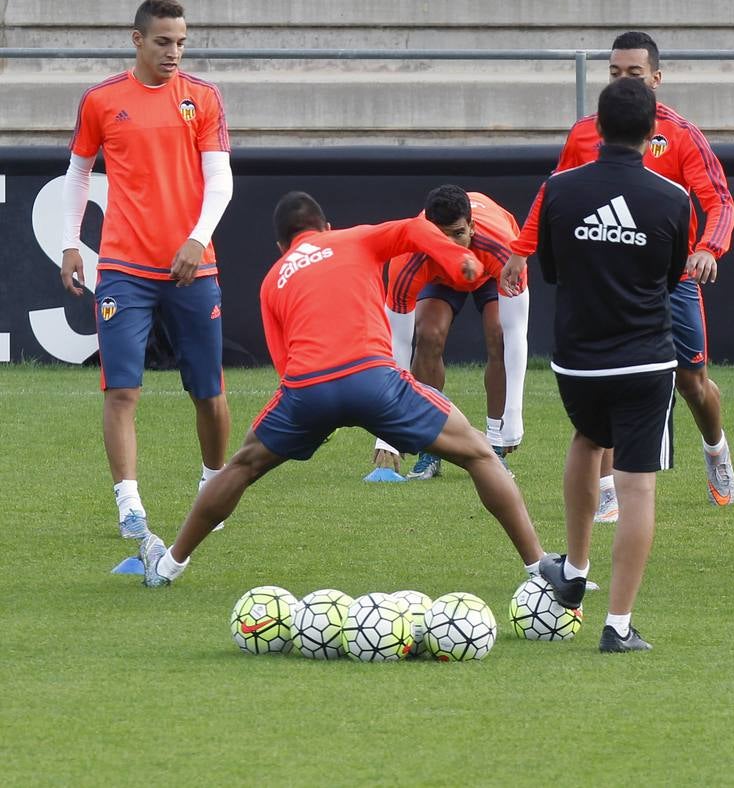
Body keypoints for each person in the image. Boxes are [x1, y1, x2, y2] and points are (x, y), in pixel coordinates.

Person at [137, 192, 550, 586]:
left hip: (306, 391)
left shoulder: (272, 280)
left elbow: (284, 365)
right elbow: (416, 228)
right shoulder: (356, 237)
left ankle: (170, 564)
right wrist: (458, 255)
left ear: (282, 244)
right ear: (327, 226)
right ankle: (540, 568)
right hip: (374, 380)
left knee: (241, 467)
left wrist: (314, 420)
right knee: (480, 453)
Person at [502, 31, 734, 522]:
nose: (624, 81)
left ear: (656, 77)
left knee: (693, 383)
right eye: (614, 73)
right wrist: (521, 251)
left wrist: (707, 248)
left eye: (633, 73)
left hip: (670, 275)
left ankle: (715, 449)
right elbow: (553, 195)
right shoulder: (586, 132)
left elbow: (718, 202)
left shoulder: (681, 134)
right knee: (607, 377)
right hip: (604, 270)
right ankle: (607, 490)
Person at [59, 0, 234, 541]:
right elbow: (78, 173)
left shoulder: (203, 98)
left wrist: (196, 239)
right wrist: (71, 243)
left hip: (193, 267)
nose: (174, 52)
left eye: (181, 42)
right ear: (137, 40)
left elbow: (221, 181)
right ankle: (129, 506)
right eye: (163, 42)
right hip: (124, 268)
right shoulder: (102, 100)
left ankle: (213, 484)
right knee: (121, 390)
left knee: (208, 390)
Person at [534, 77, 691, 652]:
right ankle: (618, 626)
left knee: (585, 438)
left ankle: (574, 572)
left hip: (577, 361)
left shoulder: (558, 190)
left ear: (595, 128)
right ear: (654, 134)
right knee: (637, 487)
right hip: (644, 361)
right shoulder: (672, 199)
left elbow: (549, 269)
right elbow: (671, 278)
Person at [373, 185, 529, 478]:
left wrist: (513, 414)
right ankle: (431, 448)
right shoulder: (408, 258)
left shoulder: (503, 247)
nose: (452, 248)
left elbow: (516, 331)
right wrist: (386, 430)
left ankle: (495, 446)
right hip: (438, 276)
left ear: (472, 226)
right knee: (428, 335)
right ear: (426, 233)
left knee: (500, 334)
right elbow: (398, 345)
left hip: (489, 273)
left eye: (458, 234)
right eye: (439, 237)